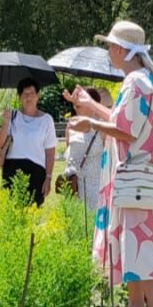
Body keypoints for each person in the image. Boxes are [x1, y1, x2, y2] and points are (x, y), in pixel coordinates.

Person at [66, 20, 153, 307]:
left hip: (139, 180)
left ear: (119, 49)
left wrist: (89, 121)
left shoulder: (135, 83)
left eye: (110, 45)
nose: (107, 51)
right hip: (144, 180)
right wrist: (90, 107)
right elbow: (123, 121)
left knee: (143, 247)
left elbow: (124, 131)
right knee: (135, 246)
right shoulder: (142, 81)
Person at [0, 78, 57, 206]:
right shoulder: (12, 116)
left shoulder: (47, 120)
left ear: (38, 96)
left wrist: (48, 177)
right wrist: (5, 123)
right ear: (19, 97)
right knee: (10, 211)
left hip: (36, 173)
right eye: (25, 94)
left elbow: (50, 153)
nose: (29, 98)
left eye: (32, 94)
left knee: (32, 212)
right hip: (12, 170)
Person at [63, 87, 107, 218]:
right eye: (75, 104)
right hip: (74, 187)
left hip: (96, 187)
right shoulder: (71, 125)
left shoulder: (102, 126)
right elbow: (68, 154)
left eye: (80, 104)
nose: (76, 108)